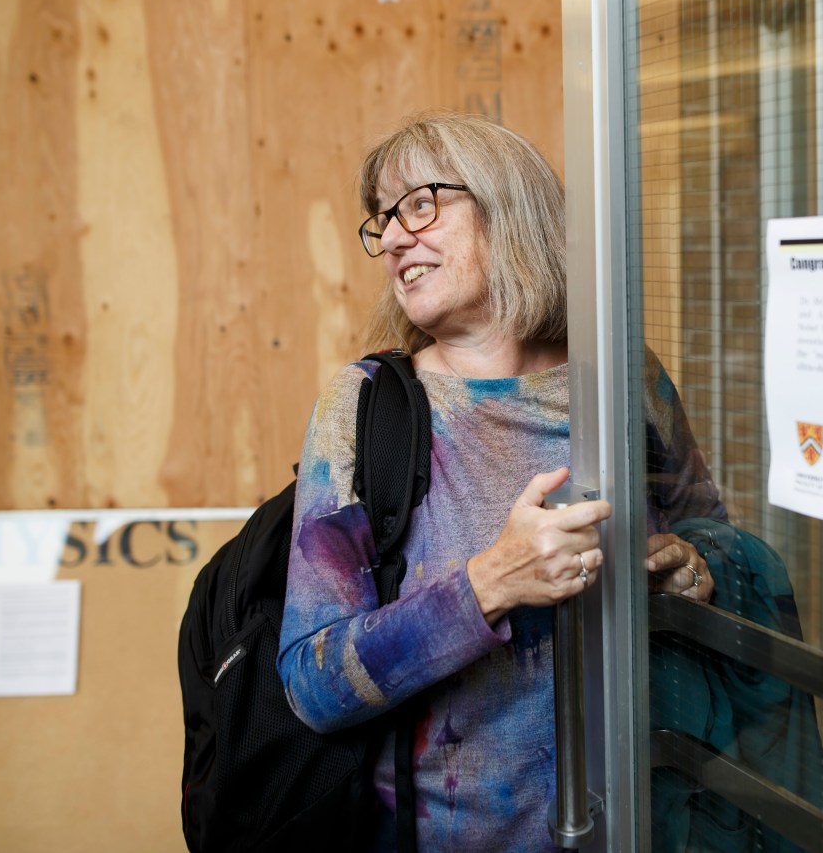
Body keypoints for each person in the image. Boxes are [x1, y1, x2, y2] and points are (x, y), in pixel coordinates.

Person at [277, 111, 725, 850]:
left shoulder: (624, 377)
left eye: (418, 205)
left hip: (649, 822)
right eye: (382, 221)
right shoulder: (365, 407)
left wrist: (696, 561)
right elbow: (312, 682)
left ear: (506, 205)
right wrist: (489, 583)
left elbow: (714, 531)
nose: (391, 238)